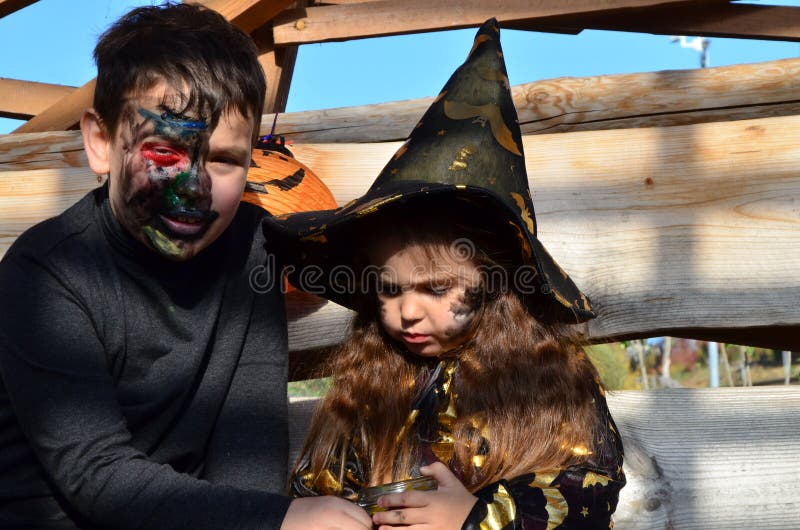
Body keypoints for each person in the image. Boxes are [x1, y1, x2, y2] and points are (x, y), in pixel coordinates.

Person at [0, 4, 371, 530]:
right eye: (167, 152)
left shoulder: (252, 250)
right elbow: (96, 475)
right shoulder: (47, 274)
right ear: (101, 143)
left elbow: (249, 443)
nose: (195, 187)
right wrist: (274, 520)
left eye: (223, 160)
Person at [275, 19, 625, 529]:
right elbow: (323, 484)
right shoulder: (369, 383)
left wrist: (477, 519)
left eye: (436, 288)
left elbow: (586, 494)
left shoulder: (552, 387)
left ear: (493, 284)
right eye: (389, 289)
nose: (408, 312)